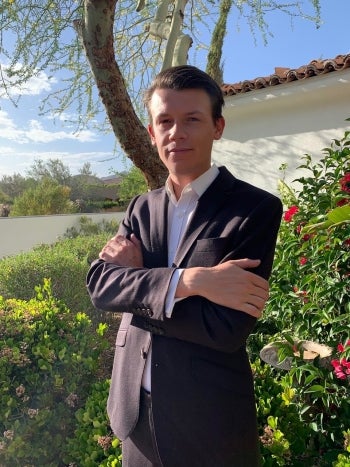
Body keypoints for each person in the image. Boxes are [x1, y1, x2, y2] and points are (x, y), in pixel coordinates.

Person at [87, 65, 282, 467]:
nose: (177, 132)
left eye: (192, 119)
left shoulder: (254, 210)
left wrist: (139, 287)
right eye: (165, 121)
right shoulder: (141, 208)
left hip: (209, 425)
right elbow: (101, 286)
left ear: (217, 126)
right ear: (151, 132)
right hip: (134, 415)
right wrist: (191, 281)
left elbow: (225, 328)